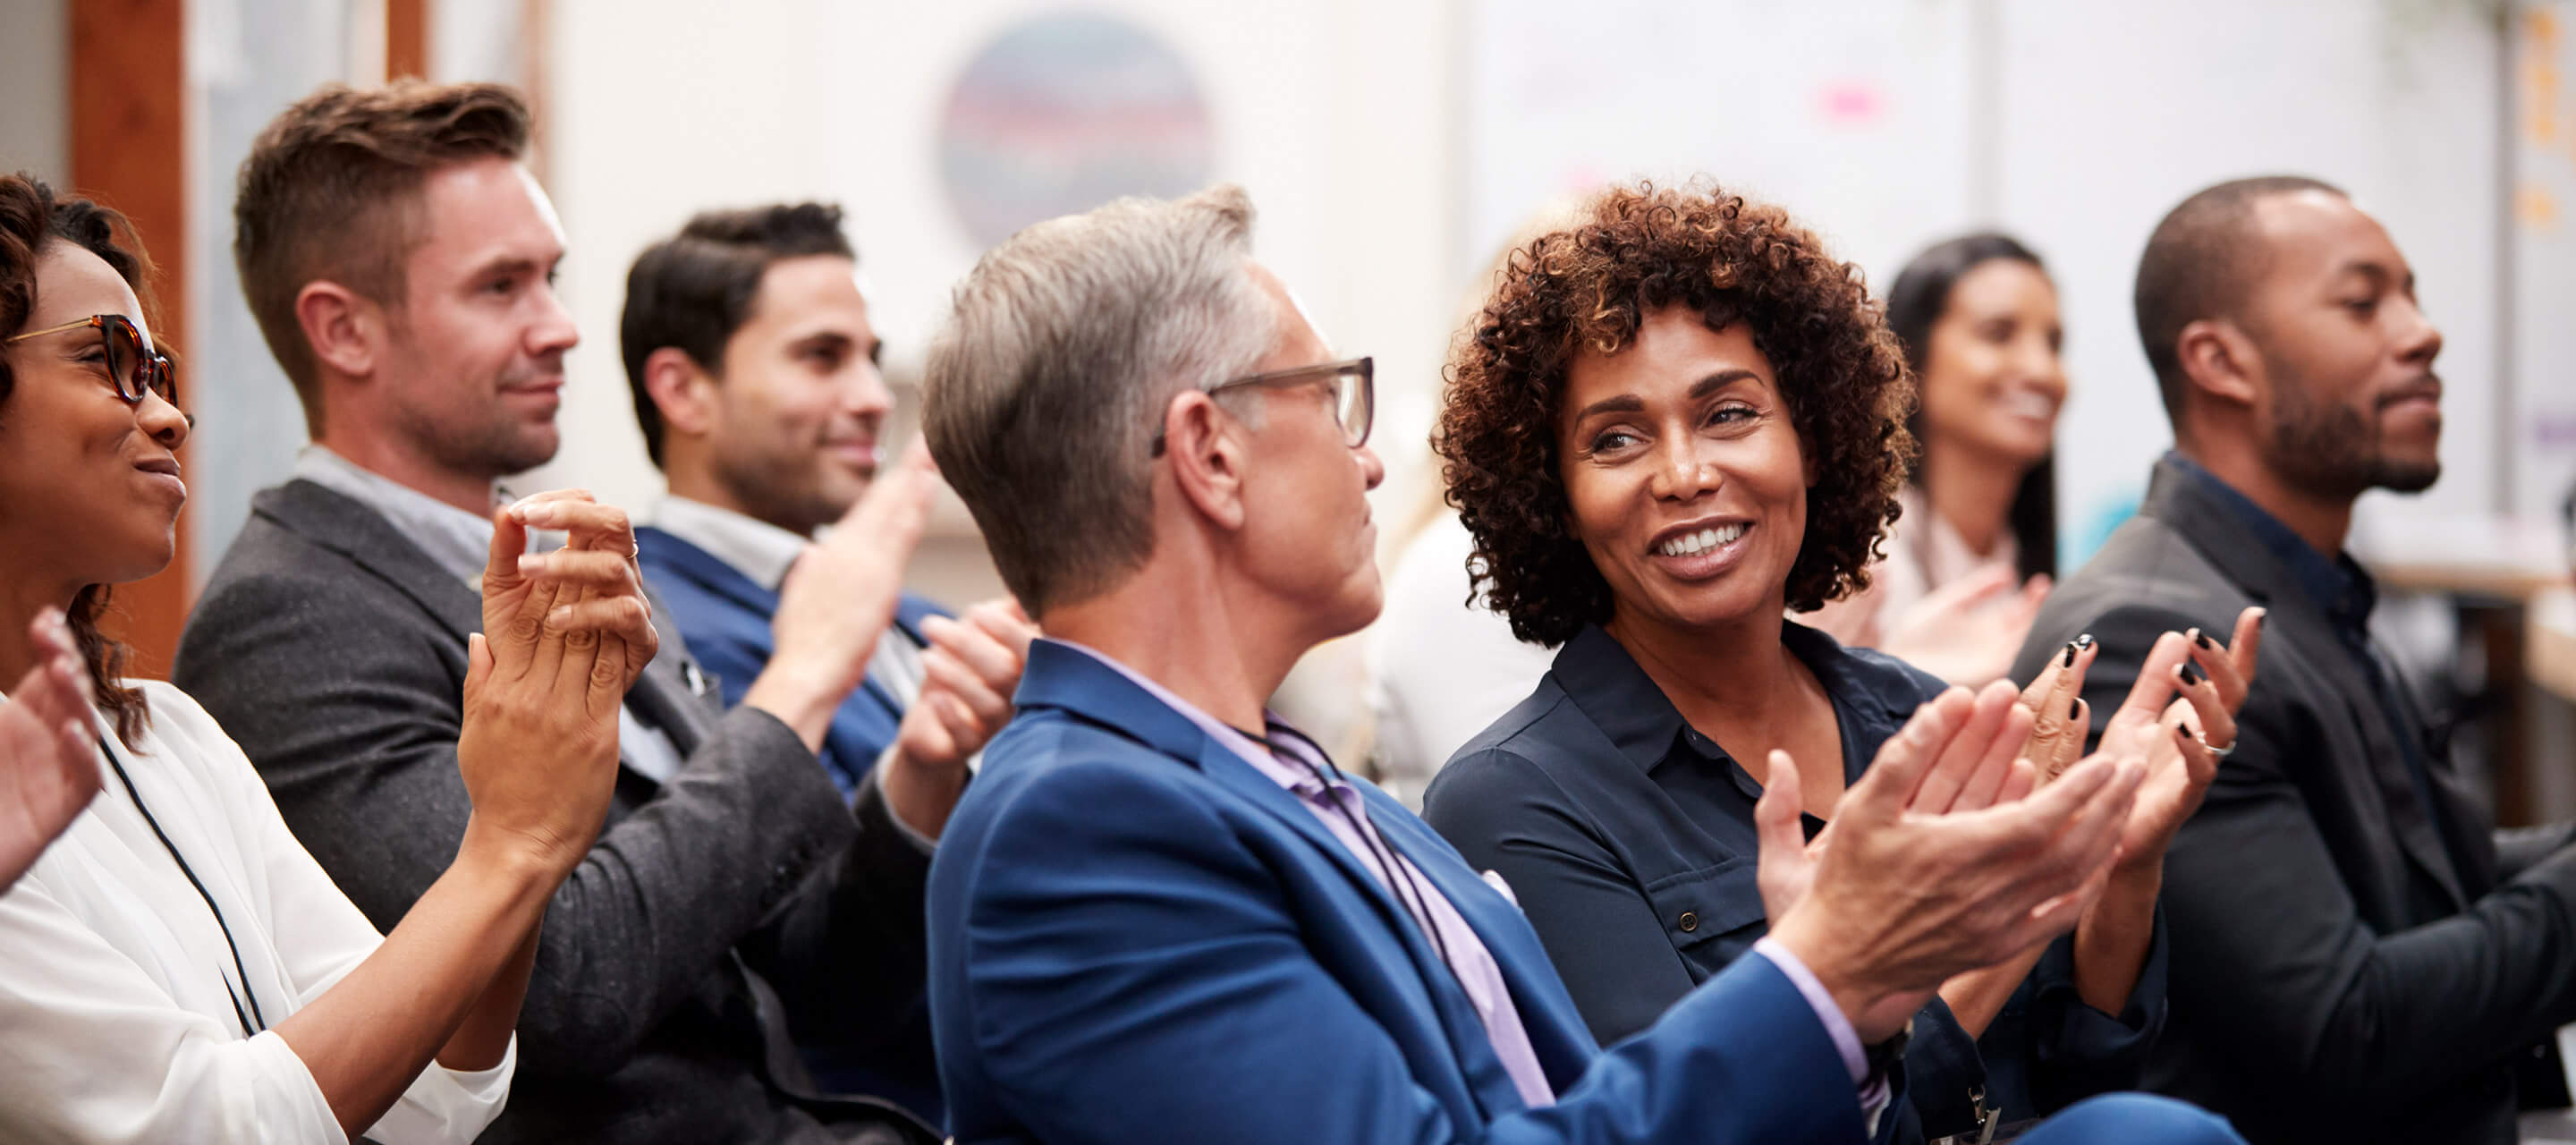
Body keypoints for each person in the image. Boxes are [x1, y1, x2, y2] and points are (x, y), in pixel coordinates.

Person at [915, 183, 2242, 1144]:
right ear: (1211, 454)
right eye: (1329, 399)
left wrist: (2074, 882)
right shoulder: (1084, 828)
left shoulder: (1310, 789)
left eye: (1732, 414)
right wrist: (1835, 970)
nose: (1370, 461)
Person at [173, 81, 971, 1144]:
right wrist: (801, 680)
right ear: (344, 330)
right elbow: (561, 991)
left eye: (548, 279)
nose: (559, 328)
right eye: (500, 287)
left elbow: (792, 972)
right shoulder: (286, 622)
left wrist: (923, 768)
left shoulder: (560, 550)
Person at [1420, 183, 2253, 1143]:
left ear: (1812, 439)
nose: (1684, 473)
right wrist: (2003, 924)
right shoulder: (1512, 802)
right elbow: (1707, 1124)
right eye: (1616, 438)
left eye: (1729, 413)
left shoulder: (1919, 717)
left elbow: (2077, 1076)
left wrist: (2121, 868)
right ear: (1555, 498)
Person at [0, 172, 641, 1142]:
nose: (169, 415)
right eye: (107, 358)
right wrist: (512, 845)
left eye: (158, 370)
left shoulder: (172, 736)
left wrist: (524, 780)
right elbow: (212, 1126)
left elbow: (435, 1095)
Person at [2012, 175, 2576, 1145]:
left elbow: (2422, 870)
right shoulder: (2160, 634)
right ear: (2220, 361)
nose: (2422, 334)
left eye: (2412, 297)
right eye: (2363, 303)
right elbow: (2347, 1029)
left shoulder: (2296, 586)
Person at [619, 199, 1031, 1113]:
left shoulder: (909, 614)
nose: (874, 396)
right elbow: (802, 947)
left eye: (872, 358)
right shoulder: (647, 631)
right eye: (821, 356)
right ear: (683, 390)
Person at [1807, 233, 2061, 685]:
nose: (2043, 370)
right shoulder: (1860, 565)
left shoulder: (2028, 567)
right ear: (1907, 360)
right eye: (1999, 334)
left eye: (2054, 344)